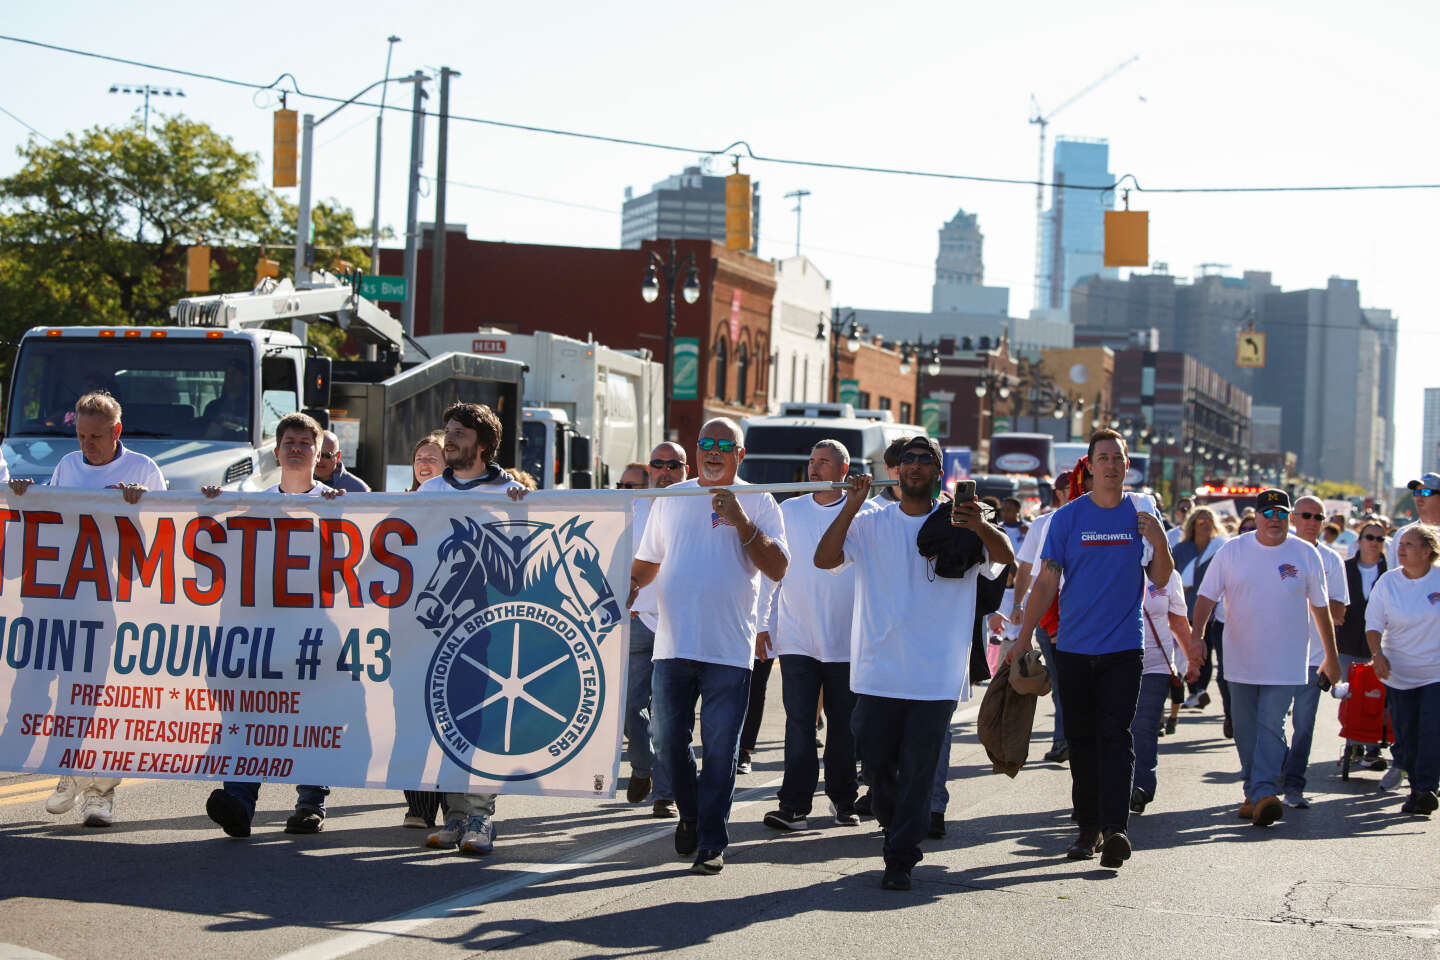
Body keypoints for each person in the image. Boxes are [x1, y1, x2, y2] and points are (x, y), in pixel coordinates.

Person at [815, 436, 1012, 891]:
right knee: (878, 761)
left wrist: (980, 526)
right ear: (897, 470)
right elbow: (824, 559)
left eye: (927, 460)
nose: (917, 466)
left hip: (936, 674)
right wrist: (850, 505)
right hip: (877, 670)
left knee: (920, 769)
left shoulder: (963, 522)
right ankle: (894, 820)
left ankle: (900, 857)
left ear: (940, 473)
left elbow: (1005, 559)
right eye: (909, 459)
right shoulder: (870, 522)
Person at [1014, 429, 1179, 869]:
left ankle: (1116, 829)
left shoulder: (1140, 517)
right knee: (1082, 741)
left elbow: (1161, 578)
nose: (1110, 465)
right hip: (1072, 647)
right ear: (1090, 466)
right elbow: (1047, 579)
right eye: (1102, 458)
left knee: (1116, 737)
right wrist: (1023, 634)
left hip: (1124, 649)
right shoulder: (1067, 519)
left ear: (1126, 467)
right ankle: (1087, 829)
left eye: (1117, 459)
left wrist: (1160, 542)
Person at [631, 418, 789, 875]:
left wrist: (741, 520)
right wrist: (629, 587)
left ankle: (712, 841)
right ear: (696, 450)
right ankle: (692, 813)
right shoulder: (672, 497)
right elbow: (648, 562)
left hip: (728, 650)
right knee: (666, 742)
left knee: (720, 750)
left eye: (725, 445)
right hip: (674, 643)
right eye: (706, 444)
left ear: (741, 455)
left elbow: (777, 568)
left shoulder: (759, 499)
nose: (714, 452)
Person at [10, 391, 162, 828]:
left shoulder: (143, 469)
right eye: (80, 435)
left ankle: (100, 793)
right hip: (66, 598)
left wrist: (141, 505)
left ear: (117, 432)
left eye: (96, 436)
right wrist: (26, 496)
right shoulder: (68, 466)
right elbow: (53, 521)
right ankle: (69, 772)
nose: (87, 444)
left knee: (100, 695)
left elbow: (165, 538)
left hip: (117, 604)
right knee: (59, 689)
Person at [203, 412, 344, 839]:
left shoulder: (342, 503)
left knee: (312, 713)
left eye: (306, 441)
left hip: (316, 632)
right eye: (289, 441)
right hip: (261, 632)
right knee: (250, 711)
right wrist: (209, 506)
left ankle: (309, 804)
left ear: (320, 453)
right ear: (277, 450)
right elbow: (211, 548)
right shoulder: (253, 505)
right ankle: (240, 803)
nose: (297, 448)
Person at [1192, 489, 1340, 830]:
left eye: (1281, 514)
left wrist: (1331, 657)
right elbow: (1205, 597)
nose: (1274, 520)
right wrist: (1196, 637)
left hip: (1287, 660)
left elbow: (1321, 608)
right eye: (1267, 513)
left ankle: (1262, 792)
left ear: (1288, 518)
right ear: (1256, 517)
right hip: (1241, 657)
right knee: (1244, 729)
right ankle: (1254, 792)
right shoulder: (1233, 551)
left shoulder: (1305, 554)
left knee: (1271, 725)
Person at [415, 401, 526, 856]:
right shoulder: (429, 492)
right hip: (438, 632)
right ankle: (454, 817)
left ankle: (480, 816)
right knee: (446, 717)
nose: (449, 439)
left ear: (481, 444)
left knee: (482, 721)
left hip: (492, 632)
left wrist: (524, 508)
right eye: (447, 431)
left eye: (459, 432)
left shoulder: (510, 492)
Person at [761, 440, 865, 832]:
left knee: (843, 726)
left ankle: (844, 800)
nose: (815, 468)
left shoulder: (866, 513)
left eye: (824, 462)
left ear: (844, 469)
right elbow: (773, 573)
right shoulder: (790, 510)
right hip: (797, 637)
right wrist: (764, 625)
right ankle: (793, 804)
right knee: (799, 722)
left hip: (847, 641)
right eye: (812, 461)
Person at [626, 442, 686, 818]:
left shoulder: (698, 506)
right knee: (631, 708)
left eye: (673, 464)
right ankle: (643, 767)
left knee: (668, 714)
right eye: (658, 464)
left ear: (685, 469)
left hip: (678, 626)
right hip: (636, 621)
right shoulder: (629, 509)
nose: (664, 470)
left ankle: (666, 793)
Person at [1365, 525, 1440, 816]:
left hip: (1435, 672)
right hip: (1399, 673)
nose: (1401, 549)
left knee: (1432, 731)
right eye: (1400, 543)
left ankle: (1425, 789)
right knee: (1406, 737)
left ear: (1427, 551)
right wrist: (1377, 654)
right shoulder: (1388, 582)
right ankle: (1416, 788)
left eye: (1409, 544)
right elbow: (1373, 624)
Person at [1281, 496, 1350, 808]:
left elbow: (1338, 609)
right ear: (1294, 518)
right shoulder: (1277, 550)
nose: (1312, 522)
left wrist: (1312, 593)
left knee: (1304, 725)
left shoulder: (1332, 560)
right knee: (1270, 722)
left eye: (1318, 517)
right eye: (1306, 515)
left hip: (1313, 657)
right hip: (1277, 652)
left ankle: (1294, 784)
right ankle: (1277, 771)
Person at [1010, 469, 1074, 764]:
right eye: (1070, 489)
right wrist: (1018, 603)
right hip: (1048, 609)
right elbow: (1025, 569)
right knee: (1062, 681)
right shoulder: (1043, 524)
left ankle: (1076, 737)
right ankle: (1064, 738)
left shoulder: (1090, 519)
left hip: (1079, 610)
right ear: (1059, 493)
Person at [402, 431, 447, 828]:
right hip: (406, 628)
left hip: (451, 628)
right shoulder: (396, 505)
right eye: (419, 456)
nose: (425, 462)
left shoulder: (463, 503)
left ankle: (454, 804)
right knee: (411, 714)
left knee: (450, 712)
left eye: (433, 456)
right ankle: (419, 805)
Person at [1129, 568, 1196, 813]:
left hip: (1156, 662)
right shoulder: (1111, 563)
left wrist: (1192, 659)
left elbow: (1178, 620)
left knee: (1144, 726)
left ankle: (1141, 786)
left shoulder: (1169, 576)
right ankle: (1110, 788)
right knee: (1115, 726)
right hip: (1115, 660)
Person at [1337, 520, 1392, 777]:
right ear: (1359, 541)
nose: (1374, 543)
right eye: (1369, 537)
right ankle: (1354, 743)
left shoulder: (1392, 572)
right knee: (1351, 695)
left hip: (1380, 646)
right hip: (1348, 642)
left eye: (1380, 539)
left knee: (1376, 697)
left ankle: (1372, 750)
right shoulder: (1344, 568)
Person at [1174, 507, 1231, 733]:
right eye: (1200, 521)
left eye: (1209, 520)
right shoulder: (1181, 549)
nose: (1205, 524)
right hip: (1186, 607)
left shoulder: (1222, 548)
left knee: (1212, 652)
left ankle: (1201, 692)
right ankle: (1194, 689)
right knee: (1190, 651)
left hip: (1215, 610)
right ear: (1192, 525)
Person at [1388, 473, 1440, 568]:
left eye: (1425, 492)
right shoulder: (1402, 534)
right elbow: (1392, 574)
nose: (1419, 498)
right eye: (1416, 493)